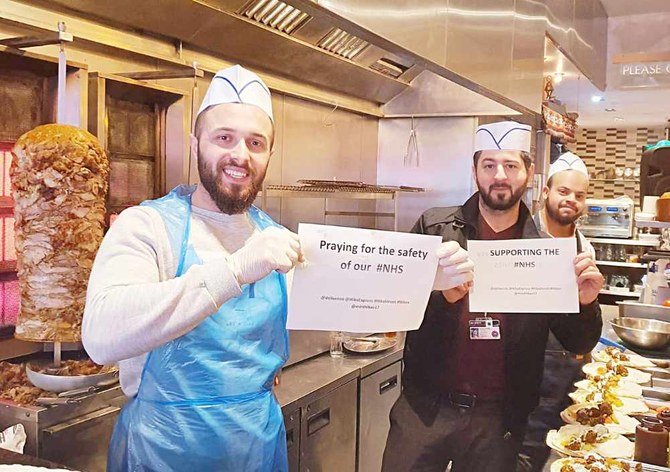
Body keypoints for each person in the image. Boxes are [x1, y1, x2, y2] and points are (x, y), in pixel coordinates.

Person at [82, 65, 304, 471]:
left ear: (270, 153)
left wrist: (429, 280)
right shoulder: (147, 227)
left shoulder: (277, 240)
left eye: (256, 142)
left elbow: (345, 303)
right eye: (224, 138)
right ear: (194, 143)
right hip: (162, 452)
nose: (240, 154)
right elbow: (100, 335)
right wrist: (234, 270)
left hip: (256, 451)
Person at [382, 121, 604, 472]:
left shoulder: (547, 251)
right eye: (489, 165)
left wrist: (587, 302)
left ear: (529, 173)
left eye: (511, 165)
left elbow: (578, 339)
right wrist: (443, 298)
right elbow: (395, 308)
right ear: (475, 172)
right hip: (425, 409)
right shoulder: (435, 228)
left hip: (499, 421)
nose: (500, 175)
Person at [521, 152, 600, 471]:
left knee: (560, 453)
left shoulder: (585, 248)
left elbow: (584, 321)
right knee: (524, 453)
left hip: (569, 372)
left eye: (579, 195)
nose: (571, 200)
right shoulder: (519, 239)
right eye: (563, 191)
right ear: (546, 193)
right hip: (528, 369)